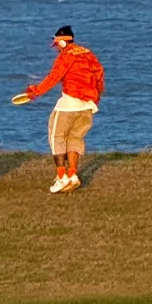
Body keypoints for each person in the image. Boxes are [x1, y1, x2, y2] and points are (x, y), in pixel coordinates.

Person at [25, 25, 105, 193]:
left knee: (56, 137)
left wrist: (36, 92)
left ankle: (61, 177)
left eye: (57, 46)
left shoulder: (66, 56)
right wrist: (95, 98)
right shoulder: (88, 53)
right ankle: (73, 174)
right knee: (75, 138)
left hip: (69, 104)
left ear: (61, 43)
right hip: (88, 106)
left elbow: (54, 77)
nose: (56, 50)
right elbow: (99, 75)